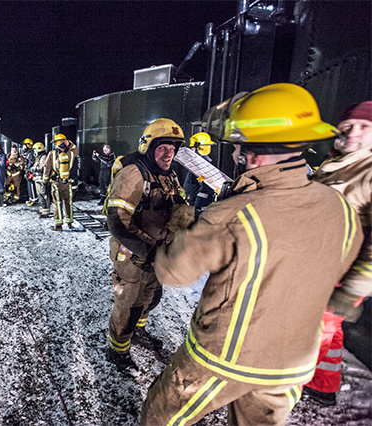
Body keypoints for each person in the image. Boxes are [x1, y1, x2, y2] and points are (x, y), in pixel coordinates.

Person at [141, 83, 364, 426]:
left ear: (253, 155)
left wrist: (185, 223)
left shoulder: (233, 215)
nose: (234, 155)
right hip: (292, 365)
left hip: (225, 358)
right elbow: (338, 263)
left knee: (160, 414)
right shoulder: (340, 208)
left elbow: (173, 272)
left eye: (237, 148)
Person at [105, 118, 193, 374]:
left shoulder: (169, 175)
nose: (169, 153)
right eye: (162, 147)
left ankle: (138, 332)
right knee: (129, 305)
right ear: (148, 146)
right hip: (132, 254)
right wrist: (151, 251)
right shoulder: (134, 173)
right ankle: (117, 350)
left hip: (158, 252)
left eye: (173, 148)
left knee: (151, 297)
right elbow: (117, 221)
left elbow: (178, 209)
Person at [303, 101, 372, 406]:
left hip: (341, 275)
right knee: (329, 333)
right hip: (321, 267)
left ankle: (289, 385)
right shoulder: (337, 164)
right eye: (349, 126)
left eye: (364, 126)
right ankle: (323, 386)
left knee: (312, 334)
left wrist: (354, 289)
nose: (354, 132)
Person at [43, 134, 79, 230]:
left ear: (57, 144)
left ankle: (58, 224)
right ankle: (69, 222)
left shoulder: (52, 154)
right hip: (68, 183)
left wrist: (45, 180)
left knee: (57, 203)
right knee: (68, 202)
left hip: (56, 183)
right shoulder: (71, 154)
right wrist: (70, 144)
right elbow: (76, 149)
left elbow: (47, 167)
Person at [182, 132, 217, 219]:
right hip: (191, 208)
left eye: (192, 148)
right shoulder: (197, 165)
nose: (191, 149)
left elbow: (204, 193)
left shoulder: (203, 167)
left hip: (195, 211)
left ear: (199, 148)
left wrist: (196, 211)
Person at [31, 142, 51, 216]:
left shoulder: (43, 157)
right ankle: (42, 209)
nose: (34, 152)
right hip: (38, 179)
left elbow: (42, 168)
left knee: (44, 194)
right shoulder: (39, 157)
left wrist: (33, 169)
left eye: (35, 150)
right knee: (39, 194)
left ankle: (45, 211)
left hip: (42, 179)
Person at [22, 138, 38, 206]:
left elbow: (30, 162)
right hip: (29, 171)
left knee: (31, 185)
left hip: (31, 172)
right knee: (29, 185)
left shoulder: (30, 153)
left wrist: (28, 169)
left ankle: (34, 199)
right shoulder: (28, 152)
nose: (23, 146)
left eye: (25, 145)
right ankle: (31, 198)